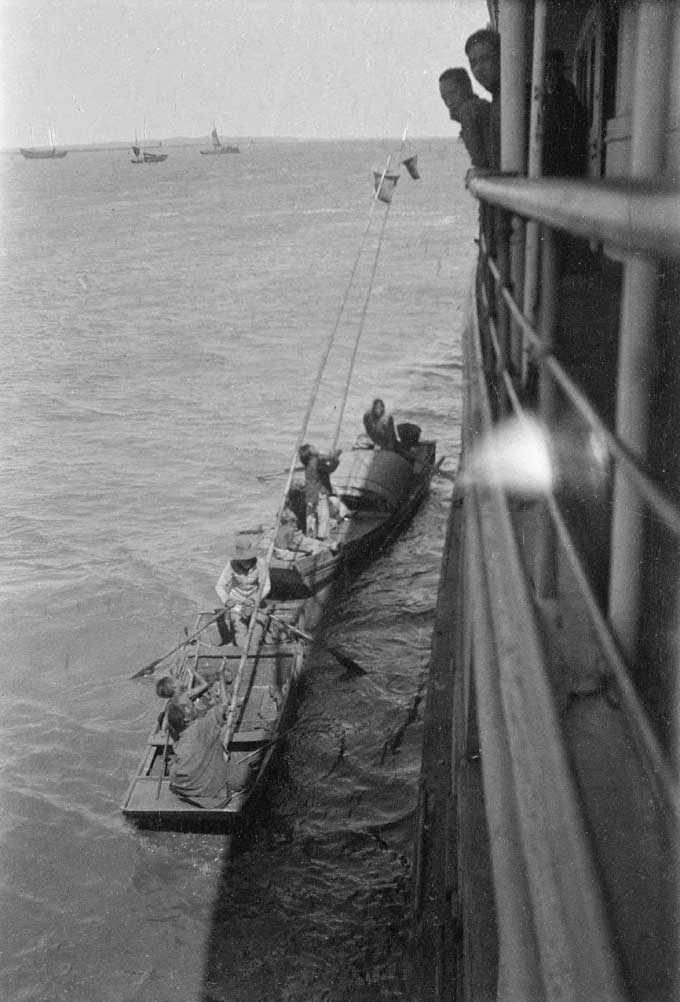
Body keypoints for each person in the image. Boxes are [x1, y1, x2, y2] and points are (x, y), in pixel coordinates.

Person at [167, 690, 232, 809]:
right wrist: (221, 677)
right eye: (189, 707)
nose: (192, 706)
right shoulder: (204, 725)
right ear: (186, 720)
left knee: (173, 769)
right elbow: (224, 703)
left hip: (189, 791)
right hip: (217, 795)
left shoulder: (183, 738)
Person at [215, 536, 271, 648]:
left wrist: (254, 600)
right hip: (237, 604)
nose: (247, 561)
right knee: (241, 643)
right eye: (243, 559)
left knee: (254, 639)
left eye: (249, 558)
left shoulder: (260, 564)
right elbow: (219, 586)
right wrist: (227, 600)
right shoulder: (231, 565)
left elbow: (266, 586)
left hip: (256, 603)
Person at [542, 49, 588, 177]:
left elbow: (570, 124)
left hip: (562, 154)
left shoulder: (567, 90)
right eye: (548, 68)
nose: (550, 73)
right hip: (547, 153)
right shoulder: (543, 91)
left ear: (560, 70)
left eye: (554, 68)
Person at [439, 68, 492, 173]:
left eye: (453, 93)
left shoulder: (469, 112)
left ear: (467, 88)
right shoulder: (479, 108)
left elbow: (480, 161)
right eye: (444, 98)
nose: (449, 102)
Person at [465, 28, 501, 171]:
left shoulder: (511, 102)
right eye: (473, 63)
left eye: (485, 59)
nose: (479, 69)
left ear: (501, 58)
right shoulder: (498, 100)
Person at [298, 443, 343, 539]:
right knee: (323, 516)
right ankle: (323, 537)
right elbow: (330, 468)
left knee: (311, 516)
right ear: (310, 452)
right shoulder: (316, 462)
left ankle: (310, 535)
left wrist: (329, 457)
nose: (316, 447)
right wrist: (335, 459)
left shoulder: (308, 463)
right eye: (313, 448)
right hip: (319, 493)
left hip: (309, 493)